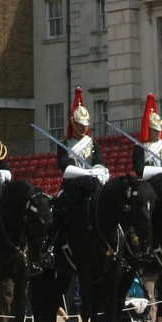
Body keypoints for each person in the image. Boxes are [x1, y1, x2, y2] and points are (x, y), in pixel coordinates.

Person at [51, 90, 108, 253]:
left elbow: (99, 162)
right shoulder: (64, 143)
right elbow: (65, 167)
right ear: (73, 123)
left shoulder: (93, 144)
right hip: (71, 185)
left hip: (92, 185)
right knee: (59, 213)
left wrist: (101, 170)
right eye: (80, 124)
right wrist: (87, 173)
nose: (84, 128)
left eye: (85, 124)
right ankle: (52, 246)